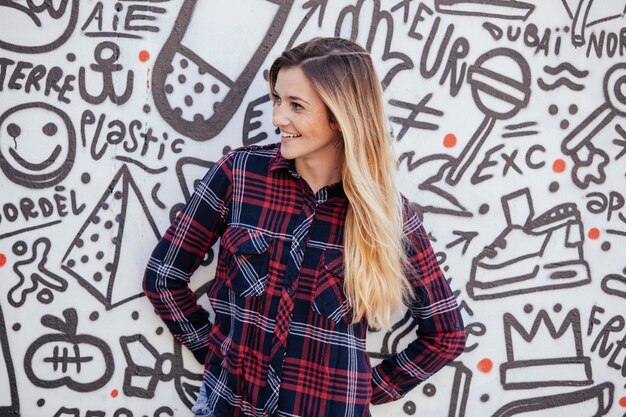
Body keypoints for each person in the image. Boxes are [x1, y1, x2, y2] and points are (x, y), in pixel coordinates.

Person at [143, 37, 465, 417]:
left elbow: (445, 334)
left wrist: (367, 390)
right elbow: (163, 278)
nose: (278, 118)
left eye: (296, 106)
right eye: (278, 100)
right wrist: (215, 354)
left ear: (341, 115)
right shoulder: (239, 175)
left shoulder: (388, 215)